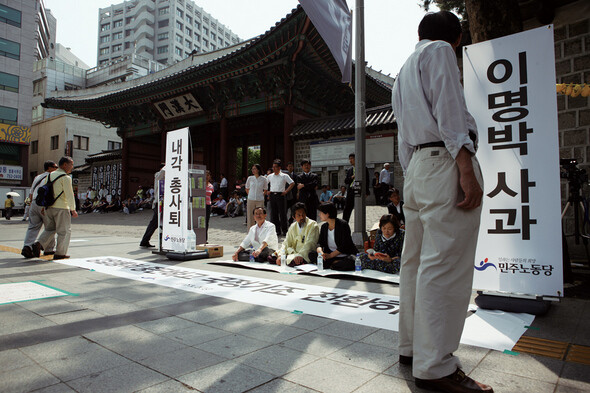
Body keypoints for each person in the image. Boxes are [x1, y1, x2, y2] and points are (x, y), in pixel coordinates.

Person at [391, 11, 488, 393]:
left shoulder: (402, 71)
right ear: (458, 37)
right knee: (444, 265)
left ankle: (412, 349)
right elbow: (450, 111)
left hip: (416, 167)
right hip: (444, 161)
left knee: (414, 263)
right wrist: (464, 165)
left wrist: (411, 176)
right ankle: (436, 366)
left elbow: (402, 135)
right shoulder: (441, 53)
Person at [32, 156, 78, 260]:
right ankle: (60, 253)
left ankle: (39, 244)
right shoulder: (65, 178)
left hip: (49, 207)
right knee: (64, 231)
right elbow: (69, 195)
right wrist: (73, 209)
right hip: (62, 208)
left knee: (50, 229)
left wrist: (44, 207)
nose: (72, 167)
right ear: (65, 165)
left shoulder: (49, 176)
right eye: (71, 164)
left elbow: (44, 192)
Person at [21, 161, 58, 258]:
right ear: (49, 168)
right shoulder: (52, 176)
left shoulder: (37, 177)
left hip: (33, 203)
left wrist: (29, 206)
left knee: (33, 227)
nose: (56, 168)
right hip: (44, 204)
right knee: (50, 227)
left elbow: (31, 192)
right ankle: (47, 249)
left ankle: (27, 246)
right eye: (55, 167)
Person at [316, 202, 358, 271]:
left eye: (321, 213)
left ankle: (333, 264)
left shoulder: (343, 225)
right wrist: (320, 252)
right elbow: (320, 243)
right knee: (312, 255)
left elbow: (344, 246)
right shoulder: (324, 227)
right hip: (331, 256)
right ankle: (334, 264)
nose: (319, 215)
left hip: (345, 255)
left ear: (327, 214)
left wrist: (330, 256)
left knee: (352, 261)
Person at [276, 202, 319, 267]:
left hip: (305, 254)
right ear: (294, 217)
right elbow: (286, 242)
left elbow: (310, 243)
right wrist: (281, 255)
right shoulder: (292, 226)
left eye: (303, 214)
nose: (302, 217)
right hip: (293, 253)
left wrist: (300, 255)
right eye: (299, 215)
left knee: (295, 261)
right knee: (272, 258)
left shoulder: (313, 225)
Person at [266, 159, 295, 236]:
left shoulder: (284, 175)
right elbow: (265, 184)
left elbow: (292, 183)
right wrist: (267, 191)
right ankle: (277, 230)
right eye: (273, 167)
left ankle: (284, 230)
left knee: (282, 214)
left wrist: (286, 191)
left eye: (275, 167)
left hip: (281, 195)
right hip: (272, 195)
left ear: (279, 167)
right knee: (274, 214)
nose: (274, 168)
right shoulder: (270, 176)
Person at [140, 165, 165, 248]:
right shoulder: (159, 174)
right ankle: (163, 243)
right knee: (162, 223)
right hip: (160, 203)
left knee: (154, 223)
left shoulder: (162, 175)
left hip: (160, 203)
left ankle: (144, 241)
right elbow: (162, 173)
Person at [342, 153, 370, 223]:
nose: (351, 160)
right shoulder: (349, 170)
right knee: (347, 208)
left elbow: (367, 180)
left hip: (359, 190)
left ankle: (360, 224)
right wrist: (352, 177)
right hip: (351, 190)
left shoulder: (363, 168)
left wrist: (367, 191)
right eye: (350, 159)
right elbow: (346, 181)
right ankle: (344, 224)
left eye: (352, 159)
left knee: (359, 208)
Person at [245, 164, 268, 229]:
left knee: (260, 216)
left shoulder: (263, 179)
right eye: (252, 169)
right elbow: (247, 188)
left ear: (258, 170)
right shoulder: (250, 178)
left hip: (260, 200)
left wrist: (261, 195)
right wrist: (250, 195)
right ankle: (250, 233)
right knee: (250, 217)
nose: (253, 170)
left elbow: (265, 189)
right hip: (251, 199)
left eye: (254, 169)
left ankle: (260, 231)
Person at [205, 170, 214, 242]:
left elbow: (211, 196)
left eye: (208, 175)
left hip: (208, 205)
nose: (207, 176)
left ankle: (205, 238)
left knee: (206, 222)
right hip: (201, 205)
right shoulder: (200, 184)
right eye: (205, 175)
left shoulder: (211, 186)